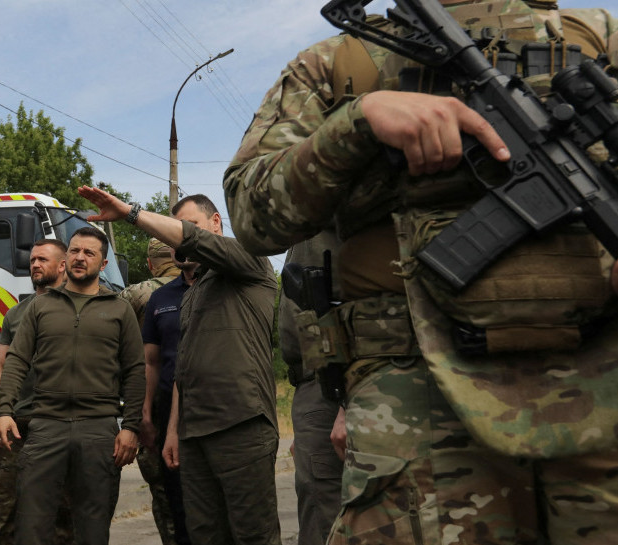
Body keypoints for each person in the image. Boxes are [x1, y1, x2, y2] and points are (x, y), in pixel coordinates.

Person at [223, 2, 618, 543]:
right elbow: (251, 215)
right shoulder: (343, 63)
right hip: (414, 401)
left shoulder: (598, 38)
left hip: (605, 381)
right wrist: (357, 123)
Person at [78, 188, 281, 545]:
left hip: (241, 425)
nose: (182, 237)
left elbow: (192, 241)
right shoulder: (191, 295)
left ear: (216, 223)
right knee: (202, 534)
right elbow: (182, 373)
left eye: (191, 226)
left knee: (253, 535)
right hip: (192, 434)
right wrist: (173, 430)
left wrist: (130, 212)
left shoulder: (250, 260)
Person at [0, 227, 145, 545]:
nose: (80, 257)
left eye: (89, 253)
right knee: (31, 528)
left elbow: (134, 371)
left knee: (92, 529)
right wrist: (3, 411)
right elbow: (16, 360)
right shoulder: (40, 307)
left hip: (98, 429)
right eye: (75, 251)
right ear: (66, 259)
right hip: (46, 425)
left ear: (103, 264)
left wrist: (130, 426)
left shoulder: (119, 310)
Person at [0, 238, 74, 545]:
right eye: (33, 259)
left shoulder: (77, 308)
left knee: (62, 513)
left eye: (43, 259)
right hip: (16, 424)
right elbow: (0, 365)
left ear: (62, 266)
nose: (35, 264)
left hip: (59, 424)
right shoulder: (16, 313)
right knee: (7, 508)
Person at [278, 232, 343, 545]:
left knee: (326, 511)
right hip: (315, 384)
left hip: (336, 380)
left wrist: (346, 400)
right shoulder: (304, 227)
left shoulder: (328, 217)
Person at [119, 238, 183, 545]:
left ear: (150, 263)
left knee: (162, 487)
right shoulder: (202, 286)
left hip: (153, 400)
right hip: (199, 399)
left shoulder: (137, 293)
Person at [139, 246, 195, 545]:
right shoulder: (159, 298)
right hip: (165, 407)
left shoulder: (223, 287)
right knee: (175, 498)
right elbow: (151, 361)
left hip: (211, 404)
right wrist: (146, 413)